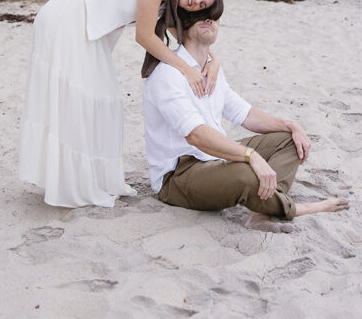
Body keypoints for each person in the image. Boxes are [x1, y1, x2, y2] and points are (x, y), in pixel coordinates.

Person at [19, 0, 223, 209]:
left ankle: (86, 180)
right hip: (70, 17)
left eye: (202, 4)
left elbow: (186, 40)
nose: (197, 0)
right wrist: (186, 70)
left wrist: (213, 60)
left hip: (87, 27)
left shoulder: (169, 2)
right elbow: (145, 36)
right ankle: (75, 185)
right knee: (81, 100)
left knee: (100, 104)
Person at [143, 12, 349, 231]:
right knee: (247, 174)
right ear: (182, 24)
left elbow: (245, 113)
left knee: (289, 140)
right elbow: (196, 135)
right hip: (179, 175)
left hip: (214, 158)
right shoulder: (168, 74)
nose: (209, 18)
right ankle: (295, 208)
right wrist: (251, 156)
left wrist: (291, 126)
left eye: (214, 12)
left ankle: (261, 211)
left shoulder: (211, 69)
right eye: (200, 14)